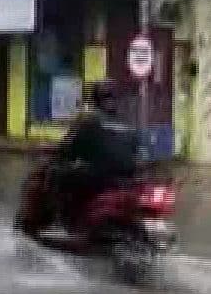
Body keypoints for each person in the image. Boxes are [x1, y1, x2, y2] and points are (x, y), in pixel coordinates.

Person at [47, 79, 143, 229]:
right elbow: (138, 152)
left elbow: (68, 148)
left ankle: (62, 221)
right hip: (126, 179)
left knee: (56, 175)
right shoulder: (129, 122)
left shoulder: (89, 120)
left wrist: (63, 156)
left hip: (98, 176)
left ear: (95, 99)